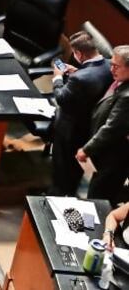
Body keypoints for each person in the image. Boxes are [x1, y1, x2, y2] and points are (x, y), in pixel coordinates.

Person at [49, 31, 113, 196]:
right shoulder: (109, 66)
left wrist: (57, 78)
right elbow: (94, 79)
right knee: (74, 167)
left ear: (79, 53)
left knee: (61, 168)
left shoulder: (80, 79)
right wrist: (77, 71)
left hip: (69, 129)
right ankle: (70, 191)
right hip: (89, 127)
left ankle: (56, 196)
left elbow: (61, 98)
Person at [77, 46, 129, 203]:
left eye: (116, 66)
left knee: (99, 197)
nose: (111, 69)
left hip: (114, 157)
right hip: (106, 151)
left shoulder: (127, 97)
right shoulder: (121, 81)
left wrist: (87, 149)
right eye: (111, 64)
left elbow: (111, 128)